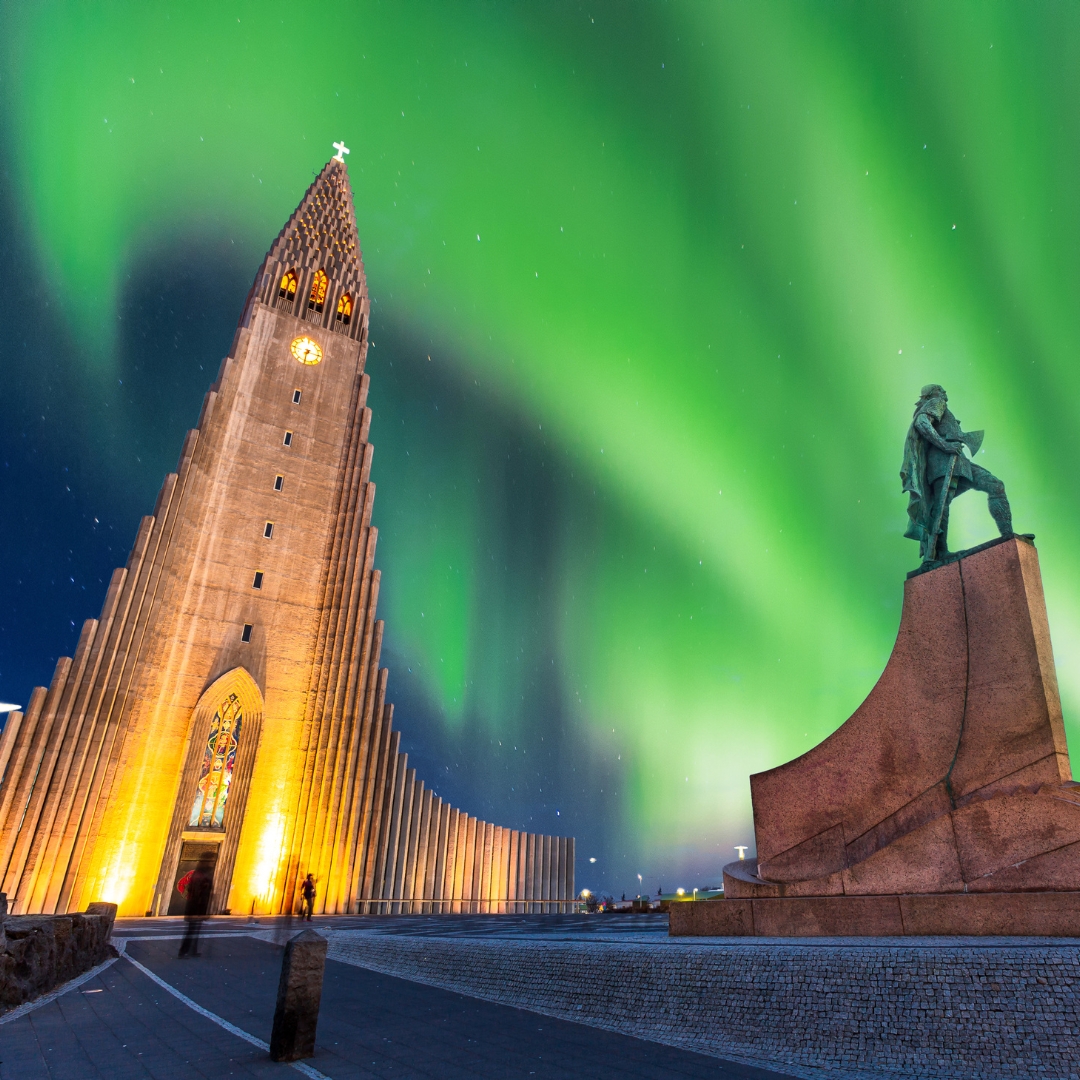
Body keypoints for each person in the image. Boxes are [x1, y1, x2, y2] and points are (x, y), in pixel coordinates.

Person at [900, 384, 1012, 564]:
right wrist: (946, 446)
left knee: (994, 485)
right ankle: (939, 553)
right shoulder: (936, 403)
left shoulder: (940, 406)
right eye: (940, 390)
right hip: (944, 462)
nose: (944, 392)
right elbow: (922, 422)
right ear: (930, 395)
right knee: (941, 506)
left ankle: (1009, 537)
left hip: (958, 462)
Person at [177, 853, 214, 958]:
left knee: (195, 930)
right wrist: (199, 909)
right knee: (191, 930)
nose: (212, 863)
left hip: (199, 907)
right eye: (210, 860)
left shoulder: (205, 873)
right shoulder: (200, 874)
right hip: (195, 908)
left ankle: (192, 950)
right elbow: (197, 892)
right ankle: (183, 951)